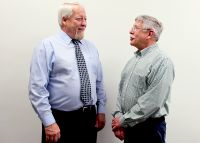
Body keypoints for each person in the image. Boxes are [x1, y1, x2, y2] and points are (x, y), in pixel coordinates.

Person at [28, 2, 106, 143]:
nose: (84, 23)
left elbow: (98, 82)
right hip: (60, 120)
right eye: (79, 19)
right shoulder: (47, 46)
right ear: (64, 20)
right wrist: (49, 122)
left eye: (85, 19)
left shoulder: (91, 47)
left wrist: (101, 110)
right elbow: (37, 88)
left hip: (89, 118)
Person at [111, 15, 175, 143]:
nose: (131, 31)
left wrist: (123, 121)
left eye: (136, 28)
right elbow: (121, 92)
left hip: (149, 130)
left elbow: (153, 101)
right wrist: (119, 118)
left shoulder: (162, 61)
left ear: (149, 34)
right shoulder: (133, 60)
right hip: (130, 125)